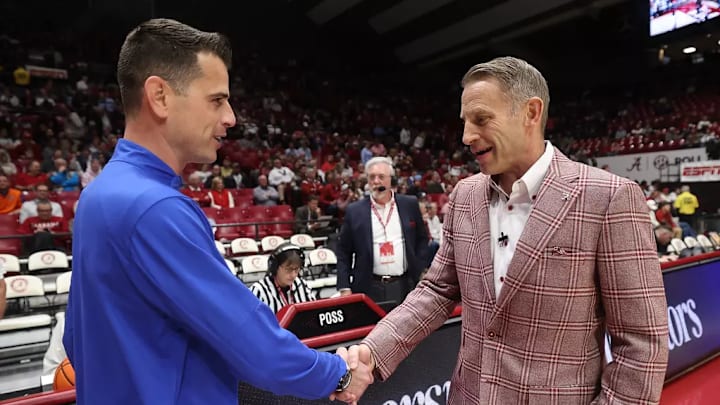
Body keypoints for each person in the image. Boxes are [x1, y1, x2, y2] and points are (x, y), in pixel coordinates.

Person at [63, 19, 371, 405]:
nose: (231, 117)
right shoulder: (157, 208)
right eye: (216, 100)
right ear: (159, 96)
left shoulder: (97, 196)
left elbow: (75, 339)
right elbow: (255, 347)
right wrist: (338, 375)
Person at [345, 57, 668, 404]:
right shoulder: (465, 195)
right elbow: (437, 290)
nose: (467, 136)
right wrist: (373, 351)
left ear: (531, 112)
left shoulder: (609, 198)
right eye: (465, 122)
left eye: (481, 119)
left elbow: (641, 341)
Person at [336, 156, 429, 306]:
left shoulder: (409, 204)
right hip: (369, 287)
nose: (376, 181)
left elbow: (422, 239)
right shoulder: (355, 211)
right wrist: (344, 287)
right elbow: (343, 252)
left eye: (381, 177)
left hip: (405, 284)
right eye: (372, 177)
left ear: (390, 179)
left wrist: (420, 269)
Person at [250, 243, 316, 314]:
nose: (293, 275)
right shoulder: (258, 291)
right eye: (288, 269)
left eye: (296, 269)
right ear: (275, 267)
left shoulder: (303, 285)